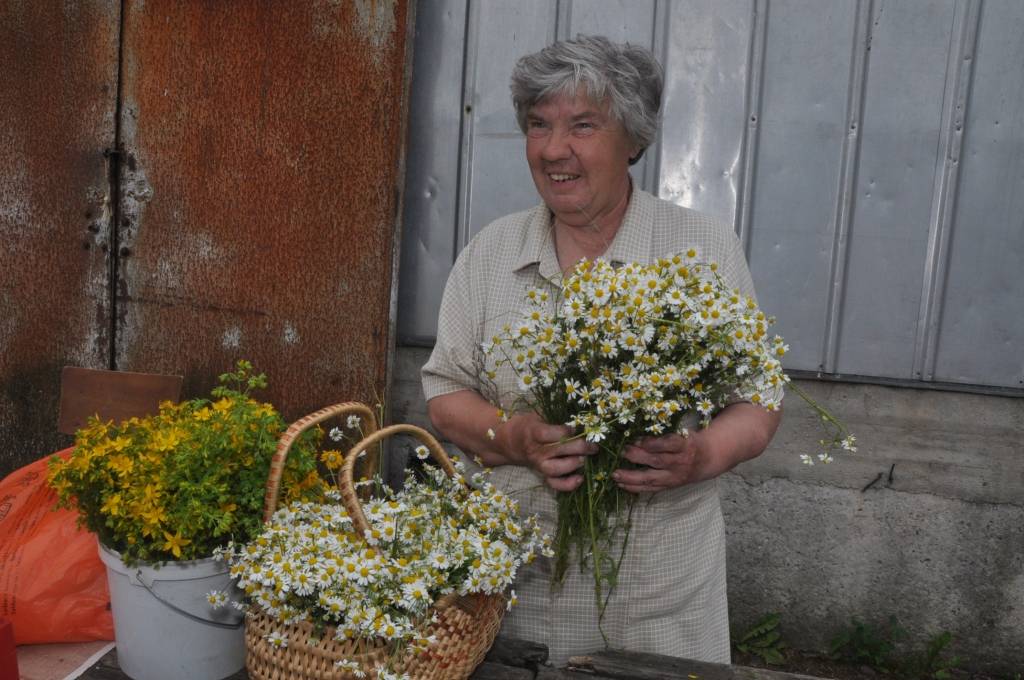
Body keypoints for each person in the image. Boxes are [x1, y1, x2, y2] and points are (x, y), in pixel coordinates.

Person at [422, 35, 781, 666]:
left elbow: (759, 399)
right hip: (514, 590)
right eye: (539, 125)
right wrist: (517, 438)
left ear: (634, 140)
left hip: (658, 597)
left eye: (582, 126)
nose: (554, 150)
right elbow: (446, 395)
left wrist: (700, 456)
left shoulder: (700, 250)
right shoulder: (491, 253)